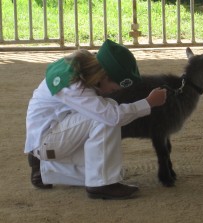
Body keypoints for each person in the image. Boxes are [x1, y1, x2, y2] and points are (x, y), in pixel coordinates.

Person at [24, 39, 167, 200]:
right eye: (114, 88)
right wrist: (148, 103)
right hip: (47, 140)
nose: (113, 92)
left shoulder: (81, 68)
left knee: (109, 169)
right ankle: (101, 185)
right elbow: (112, 117)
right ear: (103, 76)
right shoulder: (74, 85)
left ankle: (44, 168)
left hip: (55, 135)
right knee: (106, 115)